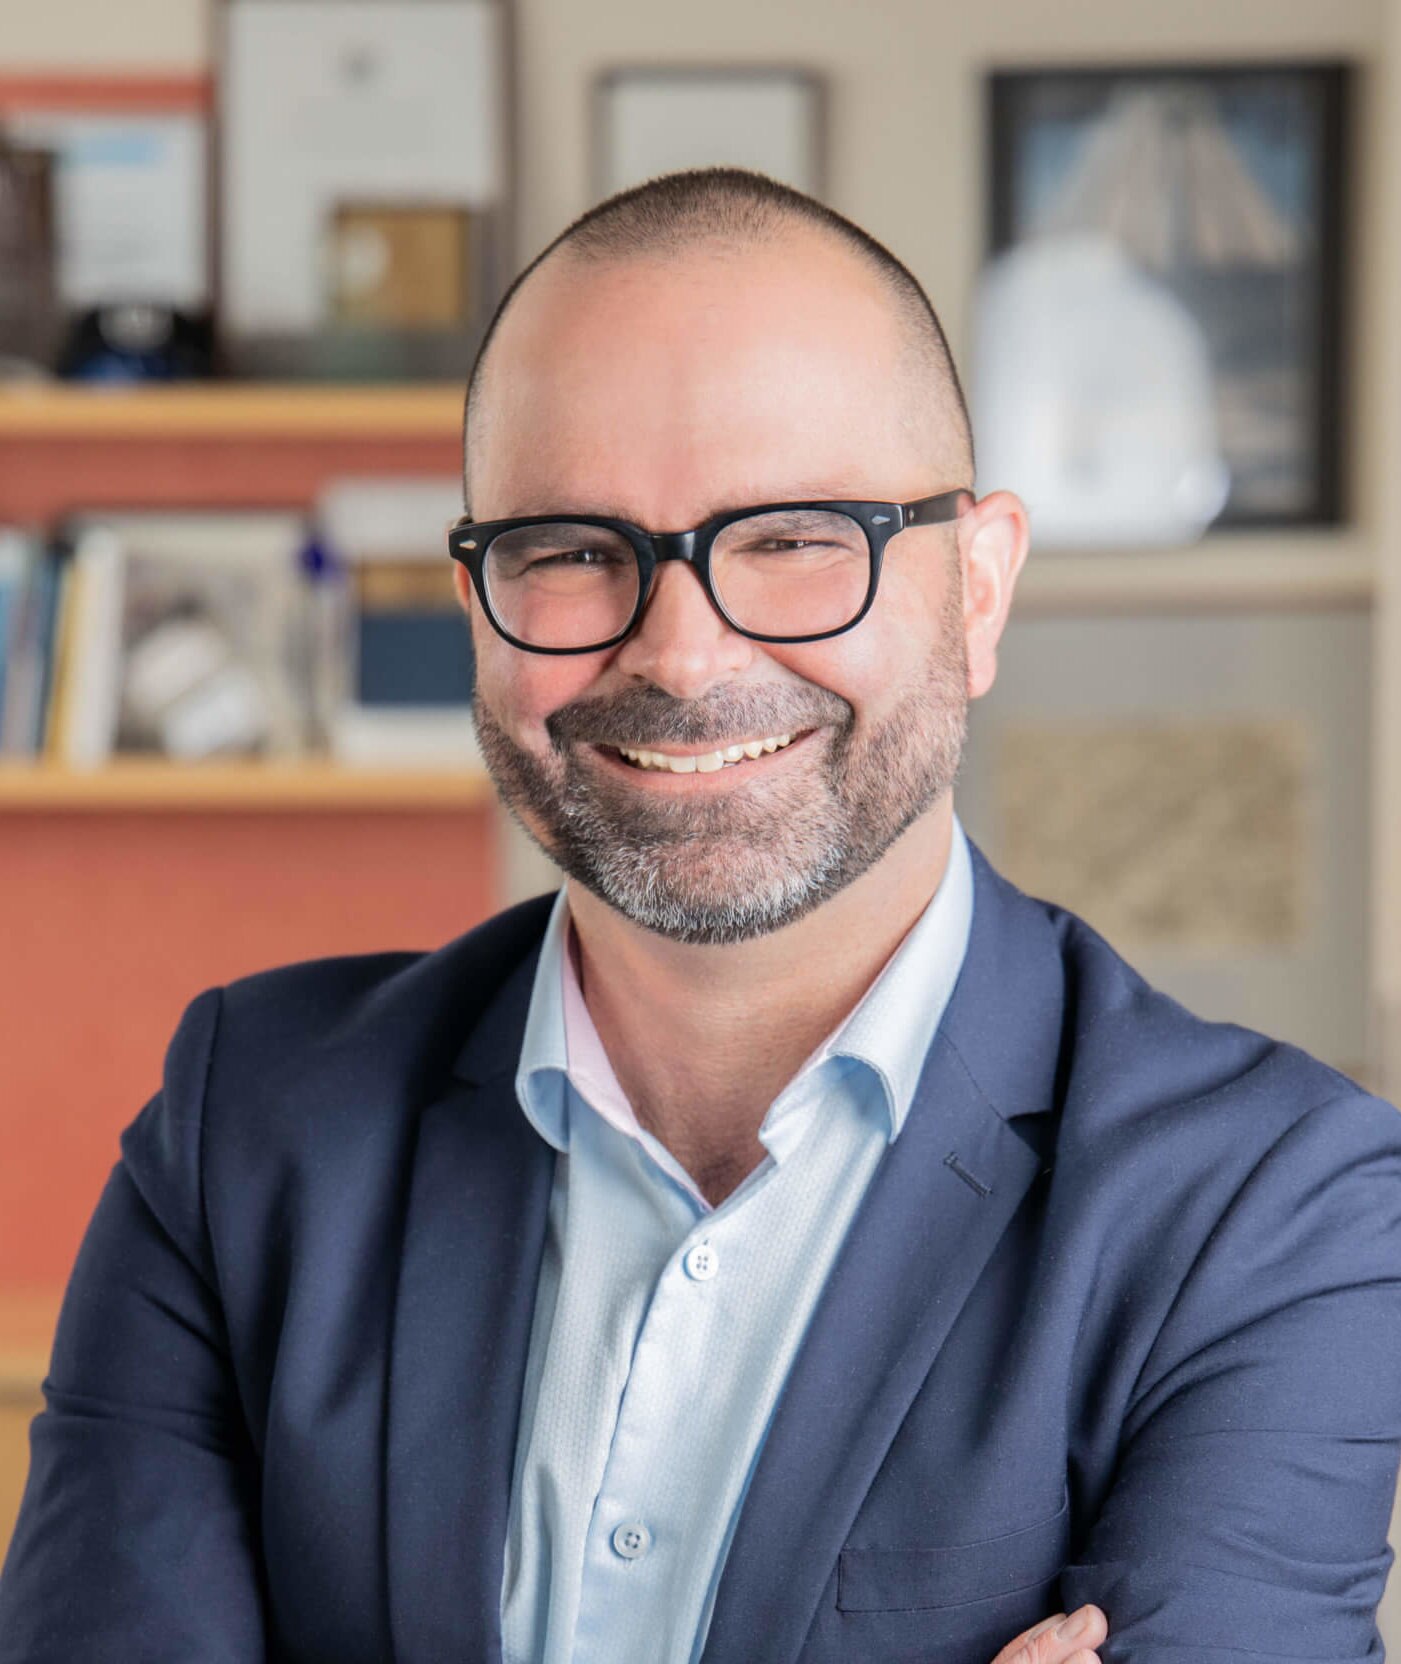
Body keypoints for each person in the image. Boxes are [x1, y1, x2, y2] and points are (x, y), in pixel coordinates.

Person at [2, 168, 1400, 1664]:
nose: (679, 651)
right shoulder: (248, 1129)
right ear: (481, 604)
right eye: (570, 549)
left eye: (796, 537)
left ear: (978, 588)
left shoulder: (1275, 1210)